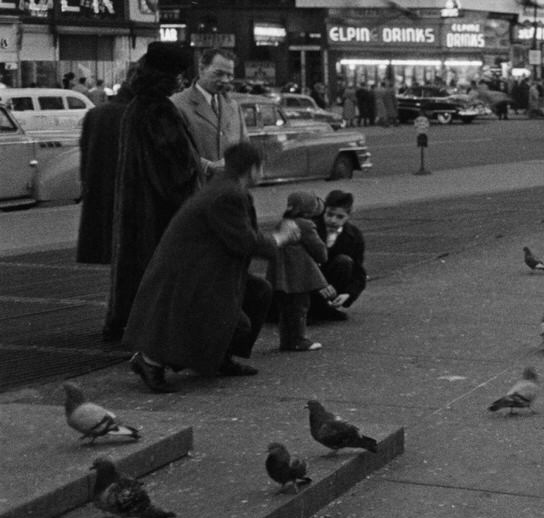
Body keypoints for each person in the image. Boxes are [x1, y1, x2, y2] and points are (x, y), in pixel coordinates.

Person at [124, 142, 295, 392]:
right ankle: (149, 361)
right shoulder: (228, 194)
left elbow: (242, 236)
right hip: (192, 274)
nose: (263, 172)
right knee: (235, 322)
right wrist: (281, 238)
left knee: (259, 293)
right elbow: (244, 241)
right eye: (261, 167)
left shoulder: (227, 187)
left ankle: (219, 358)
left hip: (203, 268)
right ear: (251, 169)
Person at [105, 44, 202, 344]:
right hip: (160, 211)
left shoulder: (137, 105)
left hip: (137, 205)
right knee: (162, 270)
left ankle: (124, 323)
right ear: (171, 76)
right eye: (181, 75)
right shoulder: (160, 109)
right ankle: (153, 336)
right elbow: (177, 169)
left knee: (134, 267)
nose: (183, 82)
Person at [75, 70, 134, 265]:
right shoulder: (142, 114)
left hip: (101, 194)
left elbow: (85, 155)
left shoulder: (95, 114)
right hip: (133, 200)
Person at [268, 191, 331, 353]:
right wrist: (322, 256)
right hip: (298, 274)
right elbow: (317, 248)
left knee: (285, 309)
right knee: (300, 307)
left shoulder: (285, 222)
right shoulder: (305, 224)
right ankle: (298, 339)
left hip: (281, 275)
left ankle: (287, 340)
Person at [171, 48, 247, 183]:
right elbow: (172, 153)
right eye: (218, 73)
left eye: (229, 75)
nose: (224, 80)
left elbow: (244, 147)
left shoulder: (234, 107)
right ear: (201, 69)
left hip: (229, 191)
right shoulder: (177, 105)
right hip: (194, 193)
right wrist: (208, 167)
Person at [309, 189, 368, 323]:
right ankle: (312, 309)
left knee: (345, 261)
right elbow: (302, 263)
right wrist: (320, 284)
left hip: (331, 280)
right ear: (324, 211)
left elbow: (358, 272)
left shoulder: (354, 235)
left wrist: (348, 294)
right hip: (309, 279)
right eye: (329, 214)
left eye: (339, 217)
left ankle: (325, 307)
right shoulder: (311, 227)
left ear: (348, 216)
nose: (333, 220)